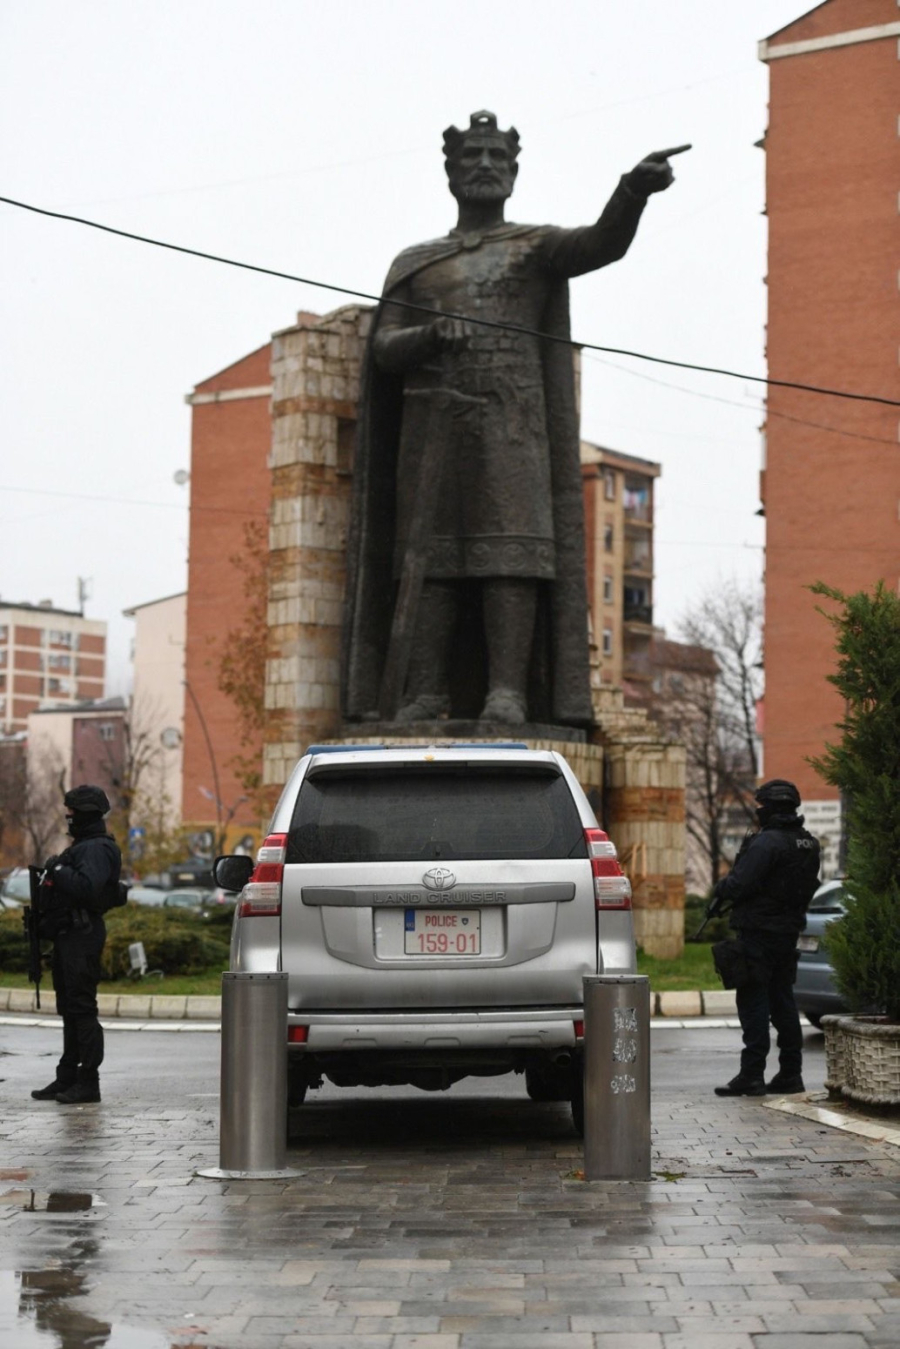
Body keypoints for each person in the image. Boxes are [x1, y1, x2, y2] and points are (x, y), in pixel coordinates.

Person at [342, 110, 689, 727]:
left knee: (513, 557)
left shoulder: (534, 248)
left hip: (513, 428)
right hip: (432, 436)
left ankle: (509, 691)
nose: (483, 167)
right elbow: (384, 350)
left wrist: (632, 191)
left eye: (496, 158)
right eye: (472, 157)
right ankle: (423, 693)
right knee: (433, 562)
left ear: (514, 172)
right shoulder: (416, 263)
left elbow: (599, 244)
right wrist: (427, 337)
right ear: (450, 173)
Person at [713, 779, 821, 1097]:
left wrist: (722, 889)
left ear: (771, 808)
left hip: (758, 934)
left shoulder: (766, 843)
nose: (758, 812)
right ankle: (791, 1073)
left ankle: (752, 1075)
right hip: (788, 933)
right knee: (783, 1002)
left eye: (761, 807)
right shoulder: (808, 843)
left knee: (753, 1001)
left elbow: (739, 884)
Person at [30, 784, 121, 1105]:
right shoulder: (82, 847)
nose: (68, 819)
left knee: (82, 1009)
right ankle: (67, 1076)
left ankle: (88, 1081)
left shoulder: (95, 849)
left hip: (82, 935)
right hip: (69, 936)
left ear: (84, 815)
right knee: (69, 1009)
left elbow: (87, 887)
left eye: (72, 814)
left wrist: (57, 869)